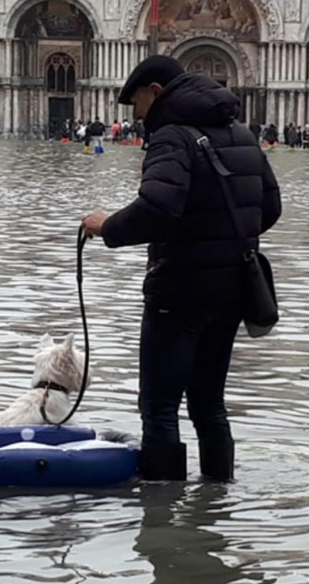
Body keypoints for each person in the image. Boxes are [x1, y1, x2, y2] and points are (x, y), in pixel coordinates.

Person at [81, 56, 282, 482]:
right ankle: (217, 499)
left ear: (155, 92)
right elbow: (269, 208)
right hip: (232, 290)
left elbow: (157, 209)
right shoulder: (242, 134)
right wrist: (222, 239)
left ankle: (161, 515)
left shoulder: (171, 136)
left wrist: (107, 227)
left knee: (159, 407)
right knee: (209, 404)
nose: (135, 116)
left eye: (136, 103)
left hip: (180, 290)